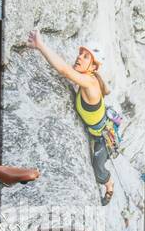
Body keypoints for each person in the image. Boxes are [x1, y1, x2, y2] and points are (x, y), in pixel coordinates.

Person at [26, 30, 115, 206]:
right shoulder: (86, 78)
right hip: (97, 131)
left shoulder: (89, 82)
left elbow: (64, 70)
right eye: (81, 53)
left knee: (98, 170)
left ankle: (109, 184)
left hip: (103, 137)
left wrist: (40, 45)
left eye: (86, 57)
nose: (80, 57)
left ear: (94, 67)